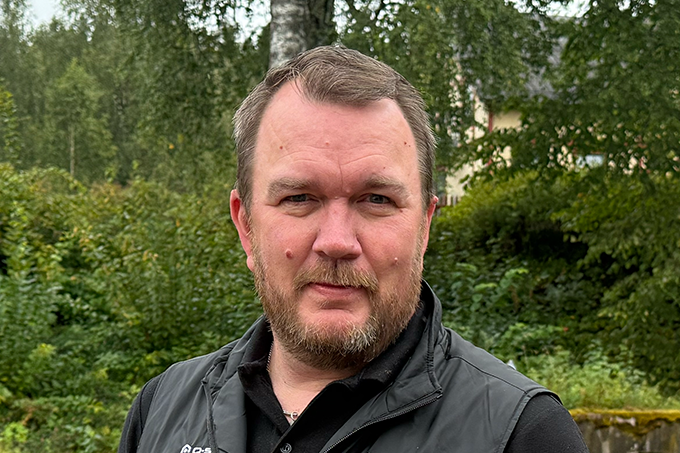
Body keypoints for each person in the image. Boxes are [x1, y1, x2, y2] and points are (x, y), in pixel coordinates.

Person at [118, 45, 589, 453]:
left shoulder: (523, 435)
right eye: (299, 198)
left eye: (376, 199)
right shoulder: (161, 409)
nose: (337, 242)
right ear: (246, 225)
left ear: (424, 226)